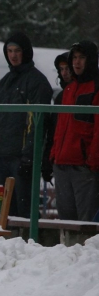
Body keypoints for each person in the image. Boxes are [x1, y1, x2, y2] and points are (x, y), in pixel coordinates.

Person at [0, 33, 53, 217]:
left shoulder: (37, 82)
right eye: (9, 51)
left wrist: (28, 156)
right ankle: (1, 245)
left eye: (17, 51)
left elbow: (37, 123)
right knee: (0, 213)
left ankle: (30, 244)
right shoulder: (3, 83)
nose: (13, 55)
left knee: (24, 211)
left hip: (20, 159)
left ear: (26, 52)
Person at [50, 41, 99, 221]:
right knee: (66, 221)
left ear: (91, 60)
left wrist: (91, 161)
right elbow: (60, 126)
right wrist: (54, 154)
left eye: (82, 58)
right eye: (75, 58)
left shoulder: (95, 88)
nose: (77, 62)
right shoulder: (68, 89)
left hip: (83, 167)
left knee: (85, 223)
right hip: (62, 164)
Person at [41, 52, 72, 184]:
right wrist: (48, 160)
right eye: (61, 69)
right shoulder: (61, 97)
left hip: (77, 160)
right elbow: (53, 132)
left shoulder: (87, 93)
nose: (64, 73)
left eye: (67, 69)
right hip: (60, 158)